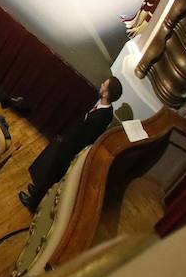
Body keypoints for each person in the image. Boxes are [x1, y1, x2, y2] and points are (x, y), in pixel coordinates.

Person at [20, 77, 122, 211]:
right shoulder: (107, 109)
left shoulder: (100, 118)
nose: (101, 84)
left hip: (70, 150)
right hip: (70, 143)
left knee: (52, 174)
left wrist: (67, 145)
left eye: (104, 85)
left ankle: (32, 202)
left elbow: (84, 138)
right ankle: (37, 190)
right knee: (50, 170)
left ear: (106, 94)